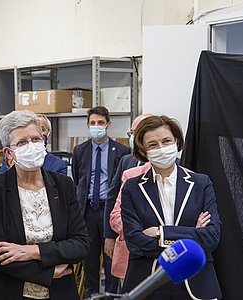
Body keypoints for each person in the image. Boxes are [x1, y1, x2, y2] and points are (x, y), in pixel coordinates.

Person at [0, 110, 90, 300]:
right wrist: (47, 273)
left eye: (36, 139)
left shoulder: (63, 186)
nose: (31, 146)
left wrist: (33, 251)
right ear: (9, 152)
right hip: (8, 291)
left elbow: (80, 244)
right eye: (22, 142)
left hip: (59, 291)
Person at [120, 115, 222, 299]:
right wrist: (191, 234)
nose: (161, 148)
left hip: (196, 283)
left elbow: (211, 237)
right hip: (147, 281)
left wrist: (161, 233)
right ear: (143, 151)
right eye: (152, 145)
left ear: (176, 142)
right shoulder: (132, 187)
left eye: (166, 141)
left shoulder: (201, 183)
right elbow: (134, 241)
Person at [71, 106, 130, 297]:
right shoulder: (80, 150)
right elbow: (78, 178)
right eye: (93, 123)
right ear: (88, 125)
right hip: (87, 210)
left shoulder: (121, 150)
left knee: (111, 257)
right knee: (89, 260)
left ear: (108, 125)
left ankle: (111, 295)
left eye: (100, 123)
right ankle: (90, 295)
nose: (96, 126)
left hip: (109, 210)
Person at [103, 114, 152, 274]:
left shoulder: (177, 166)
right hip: (126, 238)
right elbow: (113, 197)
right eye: (131, 133)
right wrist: (109, 235)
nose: (133, 137)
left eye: (136, 132)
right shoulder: (127, 161)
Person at [0, 114, 67, 175]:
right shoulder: (10, 160)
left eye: (36, 139)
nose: (30, 145)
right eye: (22, 142)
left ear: (49, 135)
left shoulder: (58, 164)